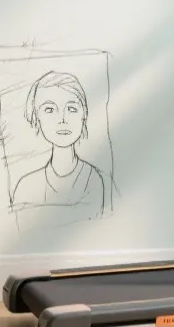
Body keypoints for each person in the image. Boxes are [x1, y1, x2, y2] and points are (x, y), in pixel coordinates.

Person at [9, 71, 111, 219]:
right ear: (36, 118)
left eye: (71, 109)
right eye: (49, 109)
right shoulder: (25, 187)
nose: (62, 119)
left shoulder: (92, 179)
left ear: (84, 116)